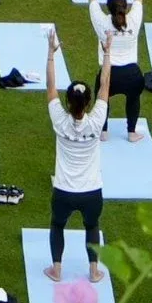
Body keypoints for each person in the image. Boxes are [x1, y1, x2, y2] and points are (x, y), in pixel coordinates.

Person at [45, 76, 110, 275]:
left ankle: (56, 269)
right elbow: (105, 86)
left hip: (63, 191)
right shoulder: (97, 121)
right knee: (92, 226)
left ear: (68, 102)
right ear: (88, 103)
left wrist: (50, 53)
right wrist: (107, 55)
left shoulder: (59, 120)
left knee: (57, 224)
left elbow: (50, 86)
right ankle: (93, 270)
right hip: (91, 192)